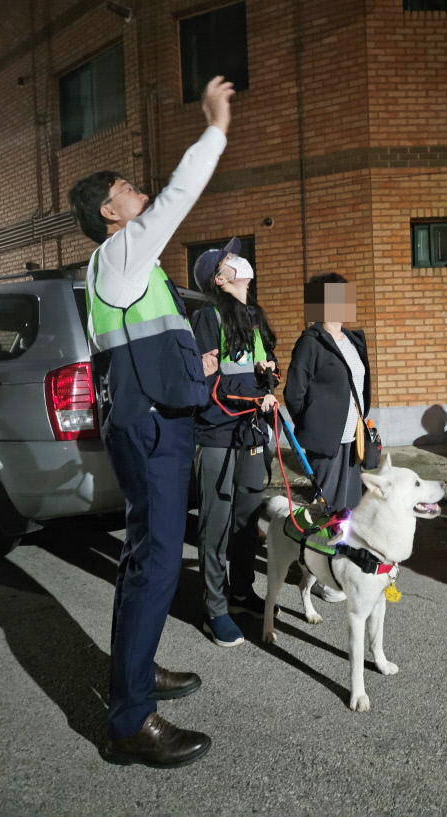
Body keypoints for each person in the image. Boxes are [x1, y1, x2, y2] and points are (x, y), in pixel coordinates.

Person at [67, 76, 234, 768]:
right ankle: (131, 717)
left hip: (147, 423)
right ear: (111, 212)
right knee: (159, 562)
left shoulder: (122, 269)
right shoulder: (123, 251)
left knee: (144, 557)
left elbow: (145, 344)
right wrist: (216, 128)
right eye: (129, 190)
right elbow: (177, 196)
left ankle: (134, 671)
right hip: (153, 430)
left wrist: (194, 362)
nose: (142, 195)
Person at [192, 240, 279, 647]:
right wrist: (253, 394)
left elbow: (257, 372)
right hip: (218, 434)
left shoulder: (252, 316)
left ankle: (242, 592)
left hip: (251, 432)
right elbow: (209, 383)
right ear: (219, 278)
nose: (238, 262)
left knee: (246, 519)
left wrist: (268, 377)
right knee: (216, 522)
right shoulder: (208, 317)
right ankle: (215, 608)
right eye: (229, 261)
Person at [284, 273, 371, 601]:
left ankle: (339, 567)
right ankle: (320, 576)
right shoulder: (311, 341)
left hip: (354, 437)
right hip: (327, 439)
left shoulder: (352, 339)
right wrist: (313, 425)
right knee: (328, 510)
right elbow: (294, 393)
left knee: (348, 507)